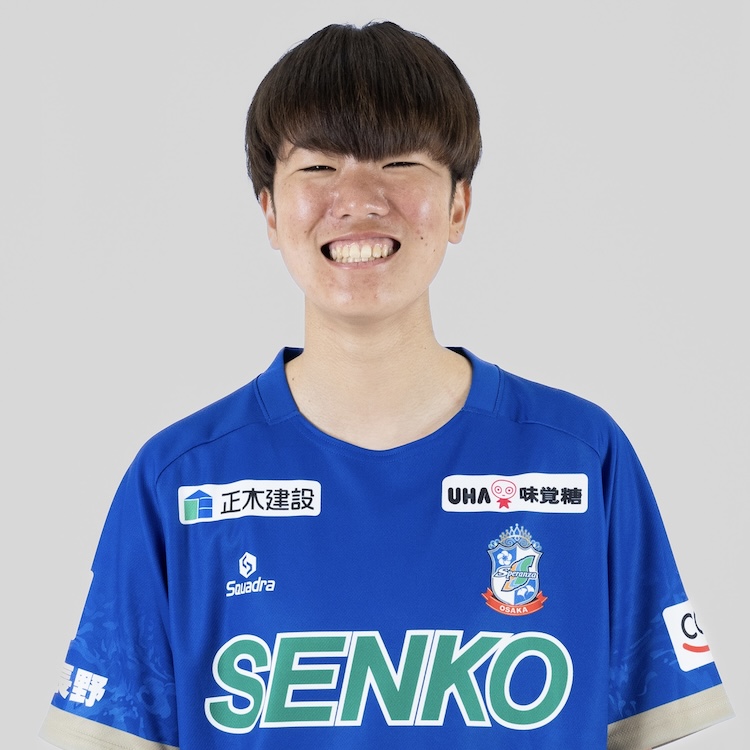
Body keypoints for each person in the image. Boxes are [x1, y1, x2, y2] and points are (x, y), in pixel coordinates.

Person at [39, 20, 733, 750]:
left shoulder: (580, 458)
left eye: (399, 162)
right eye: (318, 167)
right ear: (269, 210)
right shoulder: (179, 481)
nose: (359, 198)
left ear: (459, 205)